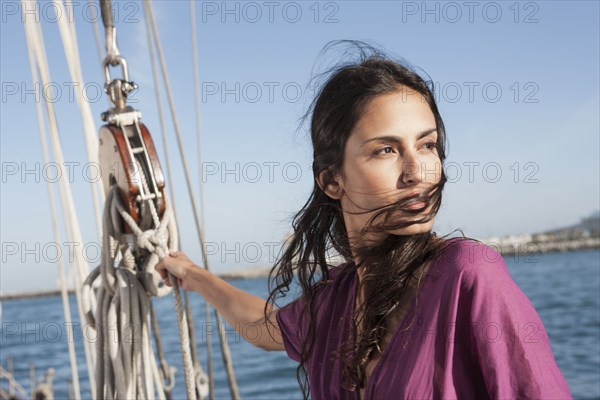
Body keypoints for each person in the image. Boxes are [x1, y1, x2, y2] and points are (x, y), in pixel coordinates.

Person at [155, 41, 572, 399]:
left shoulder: (467, 274)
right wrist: (192, 275)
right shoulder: (334, 301)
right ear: (333, 180)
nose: (417, 172)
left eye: (427, 145)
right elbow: (263, 327)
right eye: (386, 150)